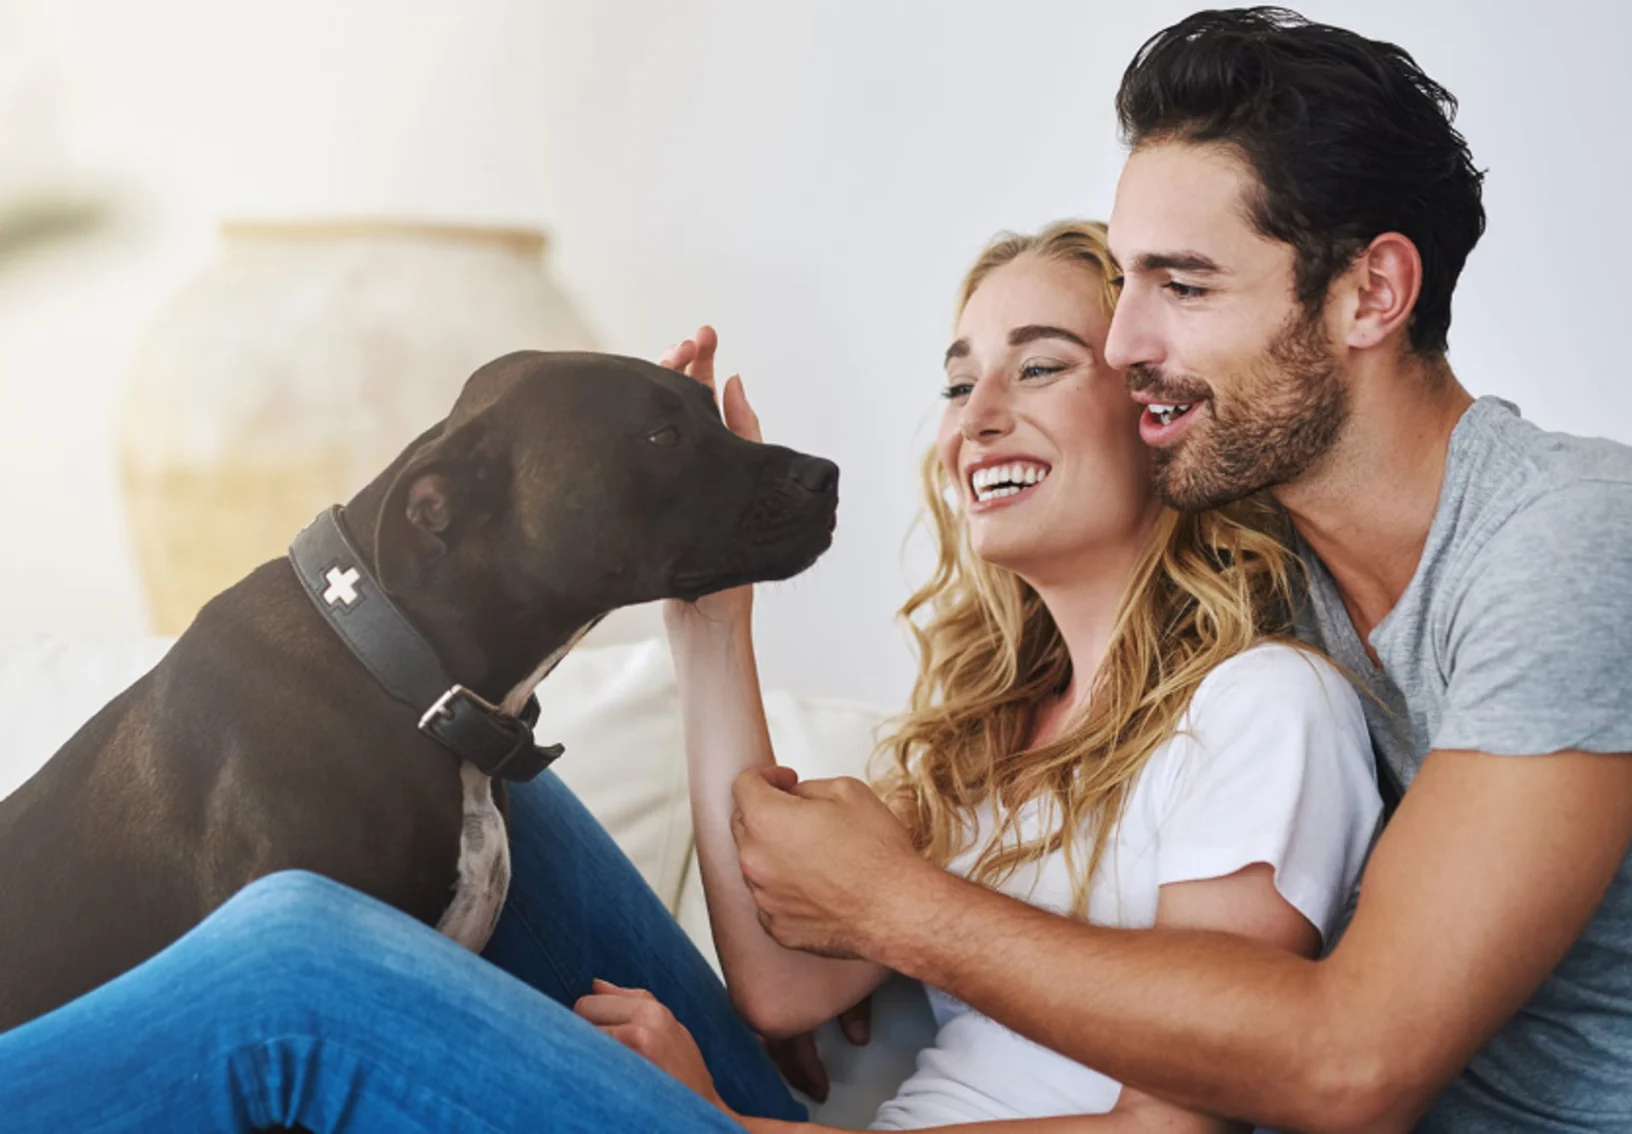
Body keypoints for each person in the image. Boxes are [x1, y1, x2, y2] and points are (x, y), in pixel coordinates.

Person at [0, 220, 1381, 1133]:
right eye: (958, 381)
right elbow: (778, 995)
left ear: (1149, 412)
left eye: (1041, 365)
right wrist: (708, 612)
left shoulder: (1262, 705)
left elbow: (1180, 1120)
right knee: (476, 776)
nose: (981, 417)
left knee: (290, 955)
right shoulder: (987, 734)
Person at [719, 9, 1632, 1133]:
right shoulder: (1263, 571)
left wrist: (902, 912)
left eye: (1183, 288)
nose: (1121, 345)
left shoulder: (1568, 543)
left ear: (1372, 293)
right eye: (1130, 282)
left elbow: (1354, 1064)